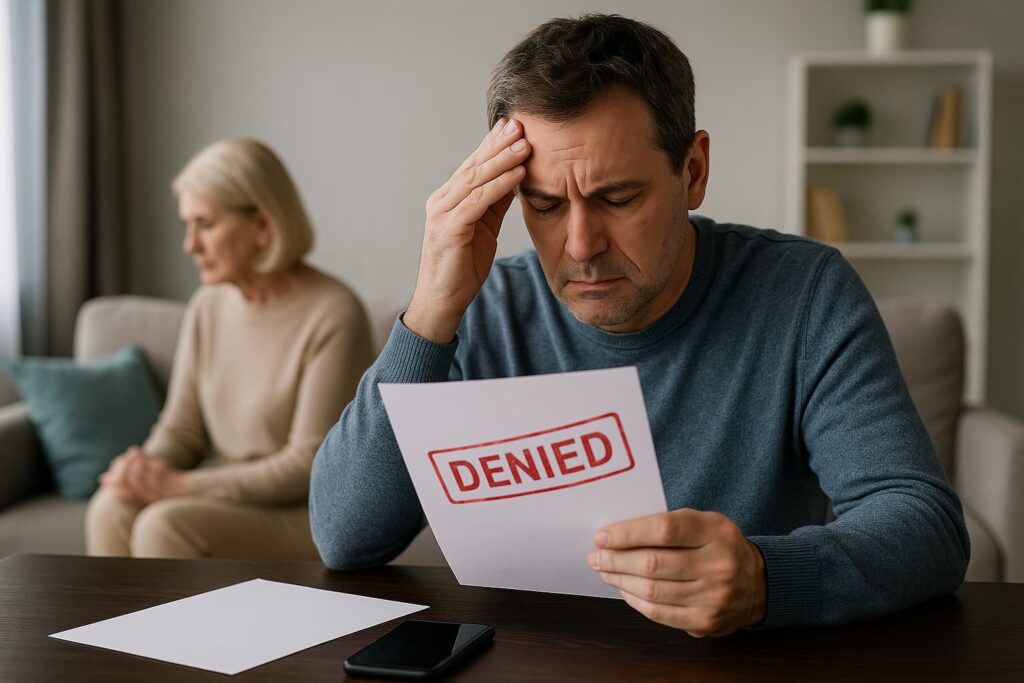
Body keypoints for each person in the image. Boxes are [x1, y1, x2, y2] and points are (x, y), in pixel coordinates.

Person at [309, 15, 969, 635]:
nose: (580, 245)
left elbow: (925, 526)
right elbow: (344, 535)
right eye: (542, 204)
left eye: (616, 198)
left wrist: (768, 578)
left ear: (694, 171)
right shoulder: (478, 306)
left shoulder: (803, 294)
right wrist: (430, 311)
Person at [86, 138, 373, 560]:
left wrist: (181, 487)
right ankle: (107, 630)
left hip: (308, 512)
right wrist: (142, 469)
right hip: (228, 499)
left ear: (262, 225)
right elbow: (182, 431)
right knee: (110, 508)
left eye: (205, 224)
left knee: (164, 526)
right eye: (187, 225)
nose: (190, 245)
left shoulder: (334, 312)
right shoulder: (208, 305)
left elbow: (307, 463)